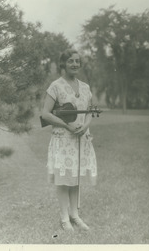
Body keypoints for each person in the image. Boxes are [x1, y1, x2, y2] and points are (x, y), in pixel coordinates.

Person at [42, 49, 97, 232]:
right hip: (63, 139)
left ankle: (75, 215)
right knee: (64, 178)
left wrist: (85, 125)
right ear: (63, 64)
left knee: (76, 178)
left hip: (81, 139)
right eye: (71, 61)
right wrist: (68, 126)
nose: (75, 64)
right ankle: (64, 219)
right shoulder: (55, 86)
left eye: (77, 61)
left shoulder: (85, 87)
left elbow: (89, 112)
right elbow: (45, 114)